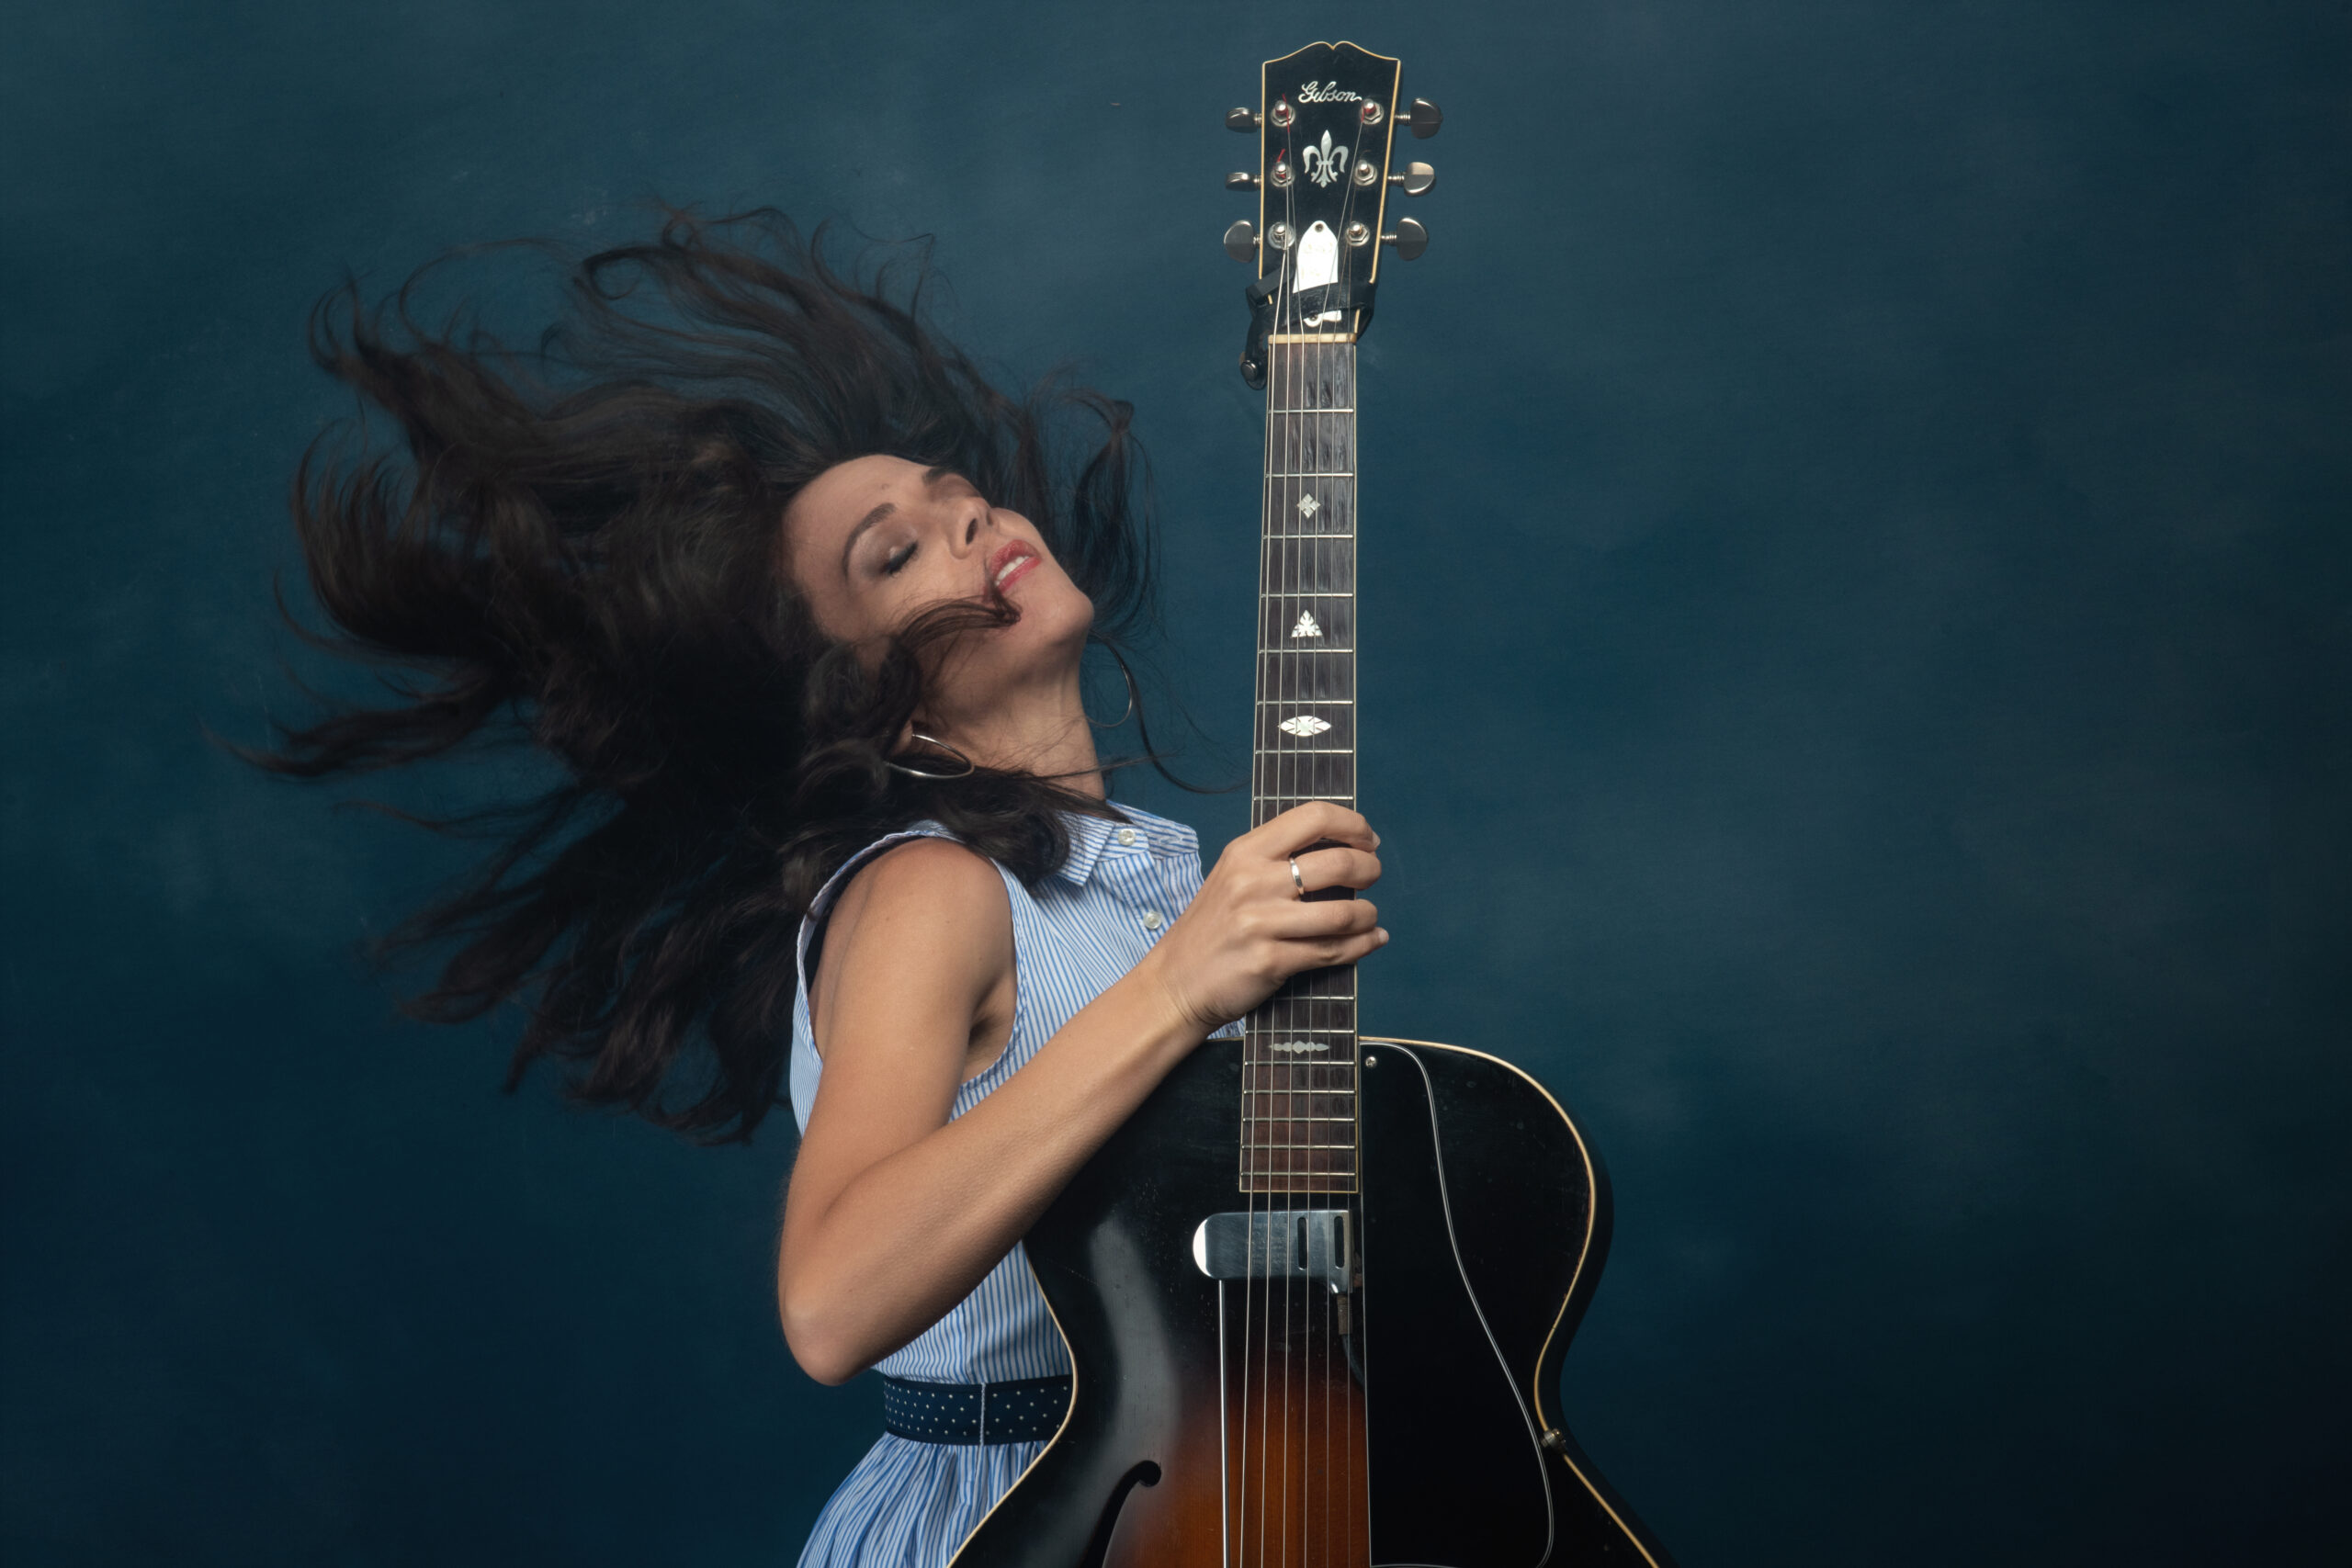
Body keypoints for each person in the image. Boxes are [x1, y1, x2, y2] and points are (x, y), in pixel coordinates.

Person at [256, 209, 1386, 1563]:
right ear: (860, 697)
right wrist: (1177, 992)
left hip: (1224, 1497)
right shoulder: (929, 892)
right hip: (1012, 1518)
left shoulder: (1142, 883)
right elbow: (831, 1305)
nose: (965, 517)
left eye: (954, 496)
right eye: (893, 555)